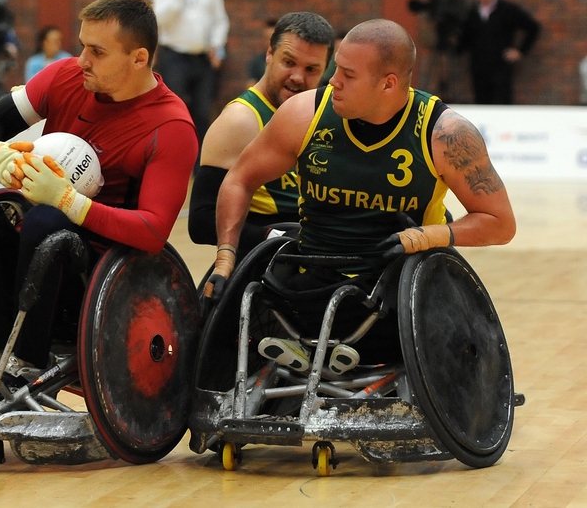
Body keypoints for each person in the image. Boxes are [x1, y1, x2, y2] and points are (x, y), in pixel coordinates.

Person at [207, 18, 516, 373]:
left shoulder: (445, 134)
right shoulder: (304, 114)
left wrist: (431, 235)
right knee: (242, 294)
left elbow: (500, 223)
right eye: (336, 68)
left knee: (388, 301)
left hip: (398, 286)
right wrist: (225, 257)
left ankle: (336, 353)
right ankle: (313, 352)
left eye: (348, 75)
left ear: (388, 84)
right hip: (315, 278)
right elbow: (239, 180)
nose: (333, 81)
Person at [0, 0, 198, 402]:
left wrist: (67, 201)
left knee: (48, 222)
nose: (81, 60)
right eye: (82, 46)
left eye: (97, 51)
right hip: (33, 246)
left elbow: (152, 232)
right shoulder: (64, 77)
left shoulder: (172, 127)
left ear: (139, 58)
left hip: (96, 273)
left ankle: (27, 360)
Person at [188, 12, 335, 254]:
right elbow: (201, 222)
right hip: (270, 260)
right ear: (269, 54)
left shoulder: (329, 113)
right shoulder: (240, 121)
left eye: (311, 69)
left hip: (318, 253)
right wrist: (276, 237)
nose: (297, 77)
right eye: (288, 62)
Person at [151, 0, 229, 154]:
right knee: (173, 110)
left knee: (203, 111)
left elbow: (220, 21)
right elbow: (159, 20)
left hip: (203, 59)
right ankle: (171, 155)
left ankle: (199, 162)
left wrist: (217, 47)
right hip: (174, 57)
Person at [457, 0, 540, 105]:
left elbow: (533, 27)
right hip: (478, 68)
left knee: (502, 106)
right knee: (481, 104)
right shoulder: (470, 12)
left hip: (501, 69)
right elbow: (464, 40)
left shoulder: (508, 10)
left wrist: (521, 51)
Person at [245, 18, 277, 89]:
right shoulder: (257, 61)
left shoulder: (285, 61)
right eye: (267, 38)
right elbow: (250, 86)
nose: (269, 42)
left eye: (272, 38)